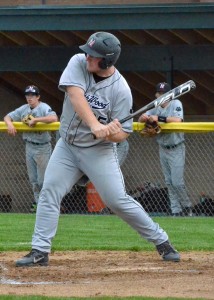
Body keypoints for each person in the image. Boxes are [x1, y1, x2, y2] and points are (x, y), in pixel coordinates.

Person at [15, 32, 180, 267]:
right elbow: (75, 96)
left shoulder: (121, 90)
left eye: (93, 55)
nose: (87, 57)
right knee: (49, 191)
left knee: (116, 200)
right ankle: (40, 251)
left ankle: (162, 241)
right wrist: (96, 124)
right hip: (67, 147)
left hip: (98, 151)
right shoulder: (77, 62)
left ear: (107, 61)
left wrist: (110, 131)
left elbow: (123, 133)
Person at [138, 82, 192, 217]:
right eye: (159, 93)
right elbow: (140, 119)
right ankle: (176, 210)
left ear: (170, 95)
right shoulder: (155, 106)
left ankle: (187, 206)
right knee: (168, 181)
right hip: (163, 148)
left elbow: (178, 120)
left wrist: (159, 118)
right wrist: (144, 117)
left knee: (177, 182)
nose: (161, 96)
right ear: (156, 94)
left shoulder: (176, 103)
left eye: (164, 93)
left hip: (177, 147)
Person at [4, 85, 58, 212]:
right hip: (29, 146)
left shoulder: (43, 107)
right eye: (27, 95)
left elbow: (54, 118)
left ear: (38, 97)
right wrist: (10, 124)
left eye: (32, 95)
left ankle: (47, 207)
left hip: (42, 147)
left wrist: (37, 120)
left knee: (43, 180)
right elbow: (7, 117)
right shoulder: (24, 108)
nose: (30, 98)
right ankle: (40, 206)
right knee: (33, 180)